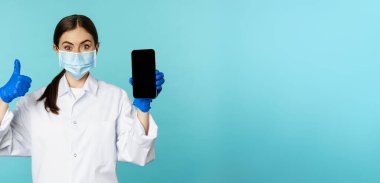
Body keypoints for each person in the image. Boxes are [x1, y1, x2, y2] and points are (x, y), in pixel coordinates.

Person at [0, 14, 165, 183]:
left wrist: (143, 106)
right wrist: (3, 99)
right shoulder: (34, 102)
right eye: (68, 47)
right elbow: (2, 144)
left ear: (96, 48)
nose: (77, 54)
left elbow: (138, 153)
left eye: (85, 46)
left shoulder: (115, 97)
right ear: (56, 49)